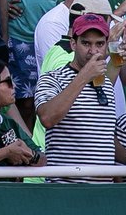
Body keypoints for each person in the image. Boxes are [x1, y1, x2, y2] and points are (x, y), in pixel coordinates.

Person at [35, 12, 118, 178]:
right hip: (66, 189)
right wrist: (84, 76)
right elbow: (47, 118)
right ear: (73, 44)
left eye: (100, 44)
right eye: (86, 43)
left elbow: (104, 137)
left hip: (102, 189)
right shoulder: (52, 78)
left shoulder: (106, 83)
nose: (93, 51)